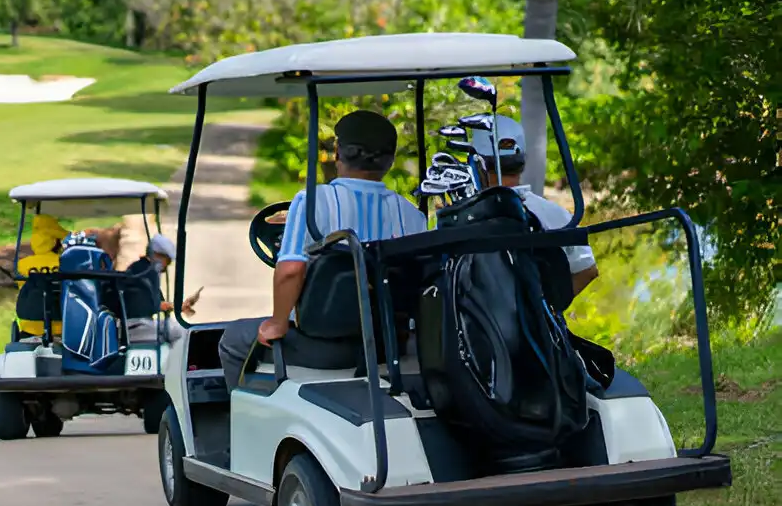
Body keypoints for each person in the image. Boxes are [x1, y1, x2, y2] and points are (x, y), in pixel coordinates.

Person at [218, 110, 428, 390]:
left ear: (339, 152)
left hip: (325, 349)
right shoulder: (413, 216)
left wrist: (279, 322)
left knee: (233, 338)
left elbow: (291, 271)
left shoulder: (313, 202)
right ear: (390, 160)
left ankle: (244, 427)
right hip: (388, 347)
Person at [468, 115, 600, 298]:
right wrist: (546, 313)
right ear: (522, 161)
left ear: (477, 164)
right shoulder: (555, 214)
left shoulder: (463, 217)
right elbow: (587, 269)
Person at [124, 233, 198, 344]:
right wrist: (177, 307)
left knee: (178, 329)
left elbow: (157, 303)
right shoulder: (145, 272)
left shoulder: (142, 268)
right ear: (156, 255)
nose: (166, 266)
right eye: (166, 260)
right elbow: (152, 304)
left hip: (140, 323)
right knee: (182, 333)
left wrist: (179, 307)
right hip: (136, 326)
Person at [14, 214, 68, 338]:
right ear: (56, 242)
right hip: (63, 324)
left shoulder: (22, 265)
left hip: (30, 324)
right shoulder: (67, 262)